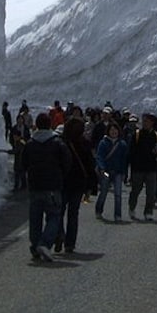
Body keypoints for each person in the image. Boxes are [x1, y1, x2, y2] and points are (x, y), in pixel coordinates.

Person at [23, 112, 71, 262]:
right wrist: (60, 175)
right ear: (50, 125)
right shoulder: (57, 143)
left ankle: (35, 246)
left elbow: (23, 163)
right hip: (53, 186)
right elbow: (67, 162)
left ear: (36, 125)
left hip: (35, 186)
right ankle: (44, 243)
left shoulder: (30, 143)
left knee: (35, 218)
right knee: (54, 216)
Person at [56, 116, 95, 254]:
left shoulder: (61, 142)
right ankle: (70, 244)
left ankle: (59, 234)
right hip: (78, 184)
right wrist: (91, 186)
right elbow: (90, 165)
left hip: (63, 183)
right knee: (73, 214)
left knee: (58, 212)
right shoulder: (84, 143)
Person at [127, 113, 157, 220]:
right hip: (138, 168)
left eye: (147, 121)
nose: (145, 123)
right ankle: (132, 207)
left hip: (151, 168)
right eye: (144, 121)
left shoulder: (156, 136)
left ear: (152, 123)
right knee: (135, 191)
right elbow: (131, 151)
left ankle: (148, 212)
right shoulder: (137, 135)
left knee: (151, 192)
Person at [94, 121, 129, 221]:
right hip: (106, 171)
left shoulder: (122, 144)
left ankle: (118, 215)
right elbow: (99, 156)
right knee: (104, 192)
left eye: (115, 130)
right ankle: (98, 210)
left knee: (118, 194)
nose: (114, 132)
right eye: (111, 130)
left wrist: (124, 173)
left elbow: (124, 160)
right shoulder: (103, 143)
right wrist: (102, 168)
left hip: (118, 171)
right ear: (108, 131)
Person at [10, 111, 31, 191]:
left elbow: (28, 137)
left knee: (21, 170)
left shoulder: (25, 128)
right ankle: (19, 185)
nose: (20, 120)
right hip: (17, 148)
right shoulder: (14, 128)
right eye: (18, 119)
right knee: (18, 170)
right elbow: (11, 137)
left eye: (21, 119)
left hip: (23, 149)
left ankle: (22, 185)